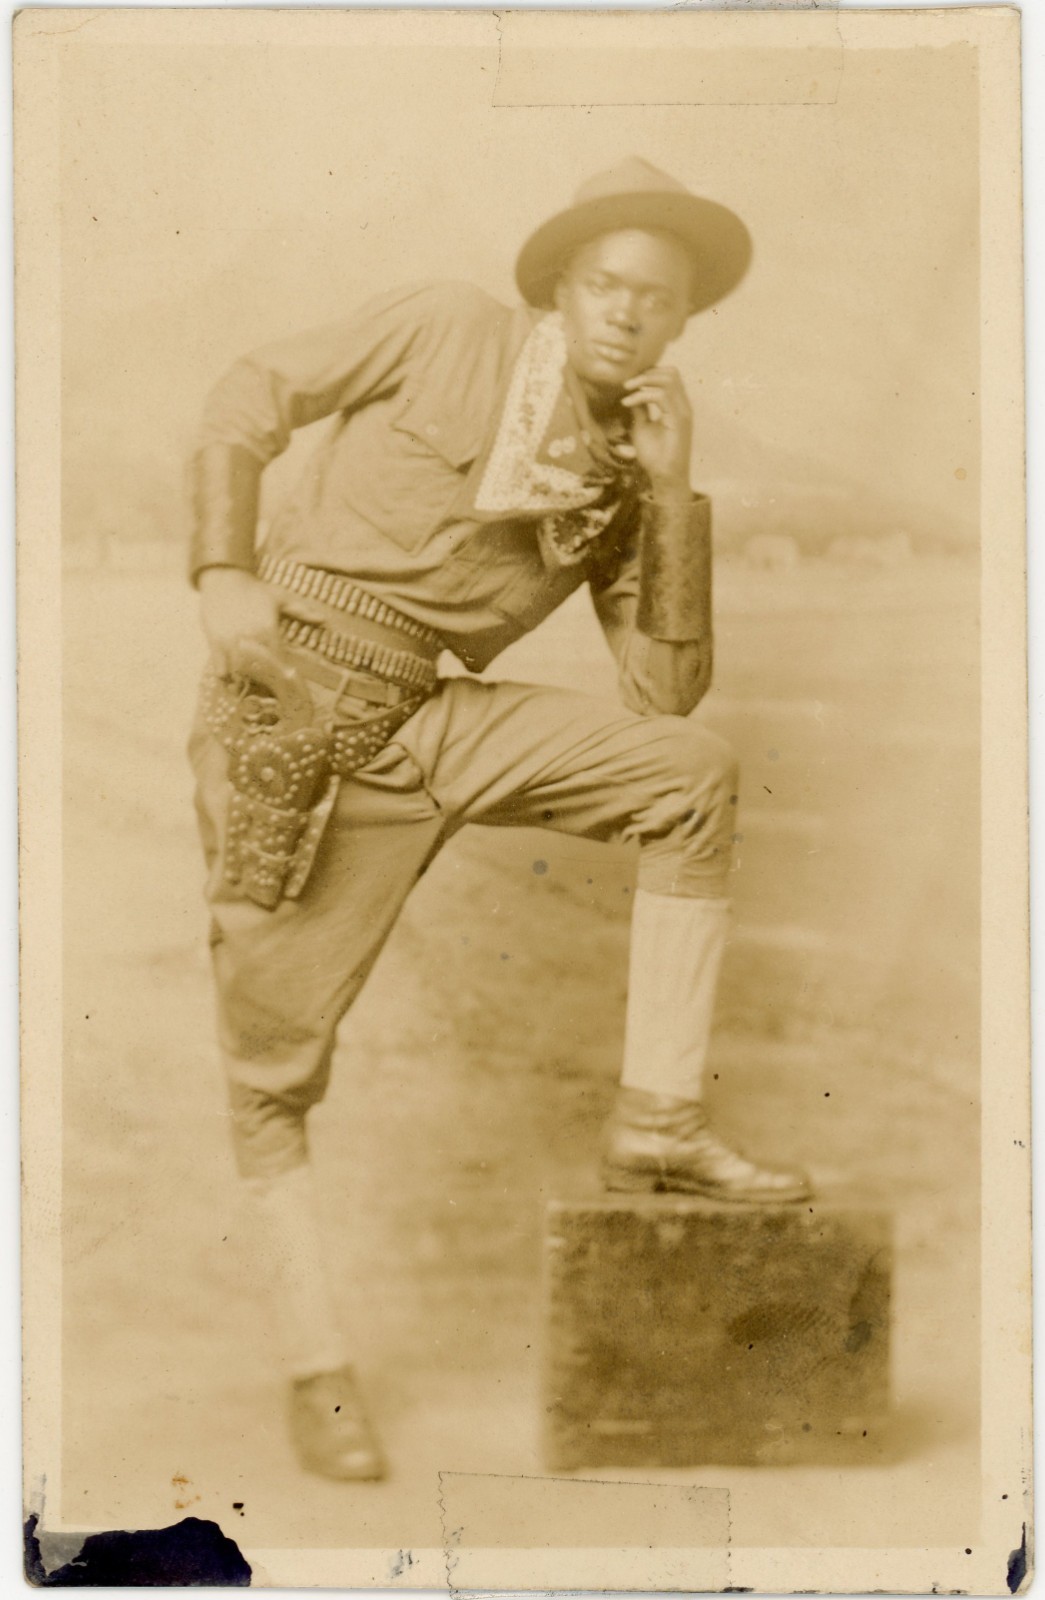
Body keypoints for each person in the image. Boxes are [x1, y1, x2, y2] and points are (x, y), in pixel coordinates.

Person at [187, 157, 811, 1482]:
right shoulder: (445, 327)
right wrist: (223, 567)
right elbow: (249, 391)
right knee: (269, 1069)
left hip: (433, 712)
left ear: (684, 321)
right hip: (293, 704)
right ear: (559, 287)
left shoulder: (625, 463)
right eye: (605, 284)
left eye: (657, 298)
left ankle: (658, 1121)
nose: (627, 313)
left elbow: (661, 694)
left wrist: (668, 494)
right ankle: (316, 1365)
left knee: (690, 774)